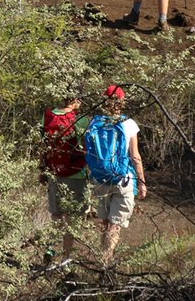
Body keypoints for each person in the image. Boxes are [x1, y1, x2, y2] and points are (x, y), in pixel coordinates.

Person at [84, 84, 146, 266]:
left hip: (100, 178)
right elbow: (135, 156)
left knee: (105, 222)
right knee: (115, 224)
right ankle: (105, 261)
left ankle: (102, 256)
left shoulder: (94, 122)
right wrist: (142, 182)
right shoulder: (128, 124)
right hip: (123, 179)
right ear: (122, 101)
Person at [40, 92, 91, 268]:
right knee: (72, 217)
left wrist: (43, 169)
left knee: (56, 215)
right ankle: (66, 259)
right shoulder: (81, 120)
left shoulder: (48, 115)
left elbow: (43, 145)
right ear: (76, 100)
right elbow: (87, 148)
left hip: (55, 172)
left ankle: (50, 249)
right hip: (76, 174)